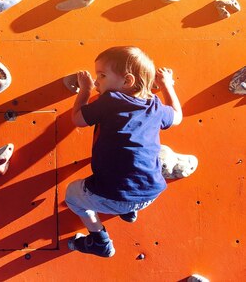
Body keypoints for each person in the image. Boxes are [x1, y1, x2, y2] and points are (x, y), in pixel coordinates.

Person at [65, 46, 183, 257]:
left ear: (127, 81)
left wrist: (84, 90)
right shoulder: (155, 106)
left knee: (72, 195)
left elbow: (77, 119)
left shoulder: (110, 101)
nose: (96, 81)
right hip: (150, 193)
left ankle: (99, 240)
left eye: (101, 75)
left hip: (110, 195)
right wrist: (167, 85)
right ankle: (128, 211)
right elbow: (177, 116)